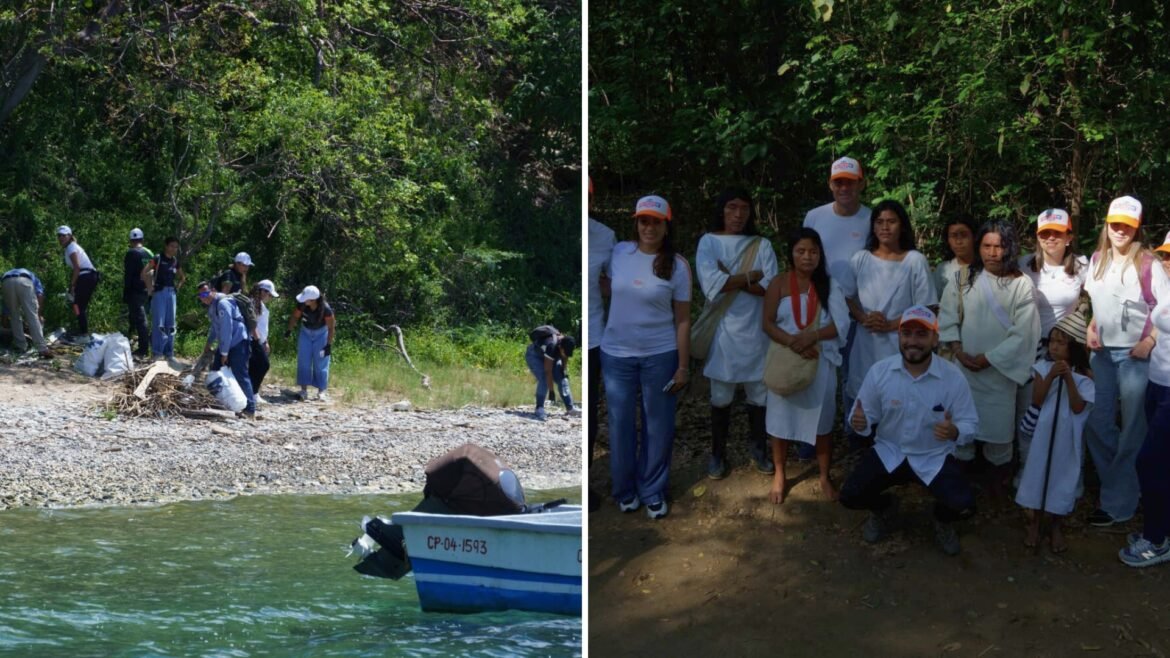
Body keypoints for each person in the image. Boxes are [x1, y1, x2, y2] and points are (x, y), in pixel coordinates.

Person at [839, 305, 980, 556]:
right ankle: (884, 508)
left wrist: (955, 432)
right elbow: (862, 415)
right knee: (850, 496)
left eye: (921, 334)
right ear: (899, 337)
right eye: (907, 334)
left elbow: (970, 423)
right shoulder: (880, 372)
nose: (912, 341)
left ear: (935, 339)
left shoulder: (952, 377)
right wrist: (859, 422)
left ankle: (941, 520)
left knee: (965, 506)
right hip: (889, 452)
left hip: (932, 457)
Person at [601, 195, 691, 520]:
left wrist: (683, 366)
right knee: (620, 424)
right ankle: (625, 490)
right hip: (617, 356)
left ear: (667, 225)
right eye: (643, 221)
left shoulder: (678, 266)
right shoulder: (619, 252)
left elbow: (682, 319)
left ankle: (652, 489)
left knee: (658, 425)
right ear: (636, 223)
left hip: (661, 355)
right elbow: (603, 287)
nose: (648, 227)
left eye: (655, 221)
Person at [1083, 196, 1167, 527]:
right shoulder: (1097, 260)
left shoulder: (1148, 263)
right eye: (1115, 224)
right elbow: (1097, 304)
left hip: (1135, 357)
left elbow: (1166, 310)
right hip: (1102, 355)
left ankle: (1118, 504)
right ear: (1107, 223)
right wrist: (1091, 326)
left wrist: (1149, 341)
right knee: (1097, 423)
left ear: (1136, 228)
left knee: (1133, 431)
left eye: (1127, 226)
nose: (1120, 230)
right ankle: (1125, 486)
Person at [939, 220, 1040, 493]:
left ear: (1009, 248)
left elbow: (1024, 334)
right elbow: (947, 318)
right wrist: (959, 351)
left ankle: (996, 488)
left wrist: (989, 358)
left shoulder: (1021, 284)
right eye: (987, 245)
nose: (992, 252)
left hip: (999, 374)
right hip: (964, 371)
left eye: (999, 246)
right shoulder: (962, 278)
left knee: (998, 432)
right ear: (979, 246)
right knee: (963, 429)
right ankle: (960, 485)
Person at [695, 187, 780, 478]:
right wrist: (749, 277)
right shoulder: (708, 242)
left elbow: (772, 289)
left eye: (743, 208)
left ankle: (759, 450)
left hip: (758, 333)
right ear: (722, 209)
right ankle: (717, 455)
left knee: (759, 395)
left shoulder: (761, 244)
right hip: (723, 334)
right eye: (731, 207)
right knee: (721, 396)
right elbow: (712, 286)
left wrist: (732, 278)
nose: (737, 214)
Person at [839, 199, 936, 444]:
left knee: (899, 394)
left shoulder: (914, 260)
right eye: (879, 222)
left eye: (891, 221)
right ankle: (863, 442)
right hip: (865, 339)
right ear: (872, 227)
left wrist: (892, 324)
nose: (885, 227)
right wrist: (863, 318)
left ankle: (899, 447)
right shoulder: (861, 259)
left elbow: (926, 307)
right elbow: (847, 296)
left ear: (902, 226)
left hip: (900, 342)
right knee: (864, 391)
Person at [761, 228, 842, 503]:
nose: (807, 256)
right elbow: (768, 323)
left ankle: (823, 476)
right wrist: (793, 342)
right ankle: (780, 475)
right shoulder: (778, 283)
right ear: (791, 254)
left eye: (813, 251)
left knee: (822, 422)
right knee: (780, 420)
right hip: (785, 360)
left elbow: (841, 324)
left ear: (820, 255)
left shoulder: (830, 285)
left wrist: (813, 337)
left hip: (819, 362)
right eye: (801, 251)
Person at [803, 157, 871, 458]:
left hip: (859, 312)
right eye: (839, 181)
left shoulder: (872, 218)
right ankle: (808, 438)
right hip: (820, 309)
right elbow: (803, 260)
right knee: (817, 375)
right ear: (831, 184)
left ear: (861, 183)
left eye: (850, 181)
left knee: (854, 377)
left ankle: (854, 434)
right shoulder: (815, 217)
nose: (844, 187)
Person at [1015, 311, 1094, 554]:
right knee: (1039, 472)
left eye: (1061, 342)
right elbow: (1037, 399)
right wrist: (1051, 375)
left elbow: (1078, 406)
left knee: (1061, 475)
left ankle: (1056, 523)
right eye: (1053, 341)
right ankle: (1035, 522)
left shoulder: (1085, 376)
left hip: (1066, 435)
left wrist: (1069, 378)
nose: (1055, 347)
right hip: (1043, 432)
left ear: (1075, 347)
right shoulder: (1041, 368)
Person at [1121, 231, 1170, 565]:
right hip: (1157, 381)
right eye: (1166, 255)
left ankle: (1157, 539)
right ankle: (1160, 529)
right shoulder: (1165, 289)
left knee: (1149, 461)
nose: (1168, 262)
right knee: (1161, 463)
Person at [588, 176, 616, 512]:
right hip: (557, 333)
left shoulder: (606, 236)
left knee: (592, 415)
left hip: (595, 335)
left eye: (589, 197)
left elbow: (613, 284)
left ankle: (588, 482)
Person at [197, 281, 256, 419]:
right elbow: (214, 328)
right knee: (215, 371)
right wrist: (208, 343)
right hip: (227, 344)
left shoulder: (223, 303)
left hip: (238, 342)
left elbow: (226, 330)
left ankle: (250, 409)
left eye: (205, 293)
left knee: (240, 374)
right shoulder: (212, 306)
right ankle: (221, 402)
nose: (203, 297)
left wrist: (224, 353)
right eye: (200, 295)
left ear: (213, 290)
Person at [141, 236, 186, 359]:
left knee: (171, 324)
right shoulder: (157, 258)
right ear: (166, 246)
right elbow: (144, 273)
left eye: (176, 247)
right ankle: (157, 352)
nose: (174, 249)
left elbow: (182, 278)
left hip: (171, 293)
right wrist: (150, 288)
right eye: (172, 246)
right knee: (158, 323)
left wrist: (177, 288)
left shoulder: (175, 261)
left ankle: (169, 352)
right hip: (159, 293)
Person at [287, 285, 335, 401]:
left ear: (313, 300)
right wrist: (289, 330)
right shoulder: (302, 305)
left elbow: (331, 327)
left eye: (305, 298)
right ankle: (303, 390)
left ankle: (321, 391)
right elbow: (295, 317)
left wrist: (328, 344)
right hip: (305, 332)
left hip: (321, 334)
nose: (303, 300)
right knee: (304, 360)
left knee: (321, 362)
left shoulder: (326, 310)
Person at [526, 325, 577, 420]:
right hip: (535, 356)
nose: (566, 354)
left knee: (563, 378)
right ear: (560, 346)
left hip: (550, 357)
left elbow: (565, 357)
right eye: (564, 352)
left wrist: (563, 370)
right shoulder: (551, 346)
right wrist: (551, 391)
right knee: (544, 379)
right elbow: (548, 371)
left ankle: (570, 408)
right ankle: (539, 408)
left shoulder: (566, 343)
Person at [56, 226, 99, 336]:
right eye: (59, 235)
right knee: (77, 305)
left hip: (87, 276)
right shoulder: (69, 248)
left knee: (78, 305)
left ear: (69, 236)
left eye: (64, 235)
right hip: (85, 277)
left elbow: (77, 267)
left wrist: (72, 285)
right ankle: (82, 329)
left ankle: (84, 333)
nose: (61, 238)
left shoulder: (71, 247)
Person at [1, 267, 50, 357]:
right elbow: (40, 294)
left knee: (14, 316)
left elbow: (6, 306)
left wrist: (4, 320)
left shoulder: (10, 273)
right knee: (32, 315)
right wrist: (38, 315)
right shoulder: (34, 277)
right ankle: (42, 349)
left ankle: (20, 346)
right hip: (24, 281)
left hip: (5, 281)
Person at [932, 213, 978, 301]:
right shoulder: (942, 269)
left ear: (974, 237)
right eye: (953, 236)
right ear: (948, 240)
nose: (959, 241)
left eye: (964, 235)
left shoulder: (985, 268)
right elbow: (934, 302)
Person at [123, 228, 153, 358]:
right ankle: (133, 342)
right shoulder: (149, 253)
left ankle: (143, 349)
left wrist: (126, 291)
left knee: (140, 320)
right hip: (147, 290)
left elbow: (128, 274)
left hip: (135, 290)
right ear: (142, 240)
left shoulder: (131, 253)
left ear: (131, 240)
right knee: (136, 318)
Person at [249, 279, 278, 405]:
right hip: (253, 340)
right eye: (269, 294)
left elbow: (263, 325)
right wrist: (256, 339)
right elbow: (252, 322)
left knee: (256, 367)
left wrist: (265, 341)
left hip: (260, 340)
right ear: (262, 291)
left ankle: (253, 392)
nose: (270, 297)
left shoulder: (261, 304)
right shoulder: (252, 303)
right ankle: (253, 393)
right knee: (263, 365)